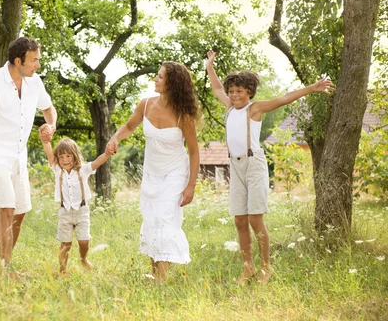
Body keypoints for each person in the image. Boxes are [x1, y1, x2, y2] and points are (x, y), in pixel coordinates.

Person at [205, 50, 334, 285]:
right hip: (235, 166)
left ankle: (266, 266)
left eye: (239, 91)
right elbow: (215, 88)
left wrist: (312, 87)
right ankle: (248, 267)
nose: (233, 95)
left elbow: (284, 98)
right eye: (231, 91)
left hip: (254, 165)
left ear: (249, 92)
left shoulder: (255, 109)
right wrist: (210, 66)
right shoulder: (230, 107)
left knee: (255, 219)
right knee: (239, 220)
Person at [0, 37, 57, 278]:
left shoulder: (34, 82)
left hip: (19, 153)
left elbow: (48, 109)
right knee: (5, 209)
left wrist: (51, 125)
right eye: (34, 60)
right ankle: (5, 267)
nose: (38, 65)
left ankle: (6, 261)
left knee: (20, 211)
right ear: (18, 61)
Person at [106, 61, 200, 285]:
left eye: (160, 77)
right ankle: (154, 272)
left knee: (165, 219)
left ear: (173, 83)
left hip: (175, 173)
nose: (155, 80)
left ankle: (161, 278)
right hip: (151, 173)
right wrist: (115, 138)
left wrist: (191, 185)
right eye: (156, 76)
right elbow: (128, 127)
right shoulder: (146, 104)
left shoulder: (183, 115)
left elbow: (194, 152)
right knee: (152, 219)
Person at [41, 137, 111, 273]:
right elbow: (49, 154)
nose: (64, 160)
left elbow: (97, 162)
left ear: (75, 155)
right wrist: (45, 141)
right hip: (65, 212)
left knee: (84, 241)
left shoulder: (83, 169)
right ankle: (62, 271)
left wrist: (107, 153)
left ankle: (83, 259)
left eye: (68, 156)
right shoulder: (57, 170)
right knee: (65, 244)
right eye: (61, 157)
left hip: (82, 211)